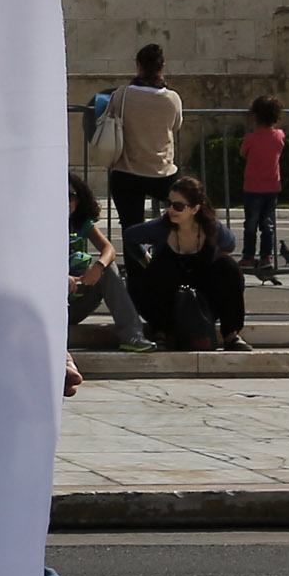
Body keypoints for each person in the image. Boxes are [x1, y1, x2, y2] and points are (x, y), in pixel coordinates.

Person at [122, 174, 249, 352]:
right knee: (156, 269)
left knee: (228, 267)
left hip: (202, 289)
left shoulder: (212, 228)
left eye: (178, 206)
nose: (171, 210)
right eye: (169, 203)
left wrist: (216, 263)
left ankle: (231, 334)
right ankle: (160, 331)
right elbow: (130, 237)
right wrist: (145, 261)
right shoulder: (160, 228)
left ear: (195, 209)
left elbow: (229, 244)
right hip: (169, 290)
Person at [68, 173, 148, 350]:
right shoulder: (39, 224)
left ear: (79, 200)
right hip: (49, 303)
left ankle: (132, 335)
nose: (67, 202)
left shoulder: (81, 223)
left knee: (108, 267)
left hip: (75, 302)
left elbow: (109, 250)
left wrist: (98, 267)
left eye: (71, 197)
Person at [106, 45, 180, 227]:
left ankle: (138, 255)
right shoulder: (172, 99)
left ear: (138, 65)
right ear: (162, 66)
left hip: (127, 171)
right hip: (162, 171)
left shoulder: (121, 95)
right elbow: (176, 126)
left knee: (130, 229)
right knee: (184, 211)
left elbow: (109, 120)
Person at [237, 96, 287, 278]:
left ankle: (248, 256)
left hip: (252, 186)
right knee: (268, 225)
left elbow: (243, 153)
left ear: (255, 116)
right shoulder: (279, 136)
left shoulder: (250, 138)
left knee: (250, 224)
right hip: (272, 186)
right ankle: (267, 256)